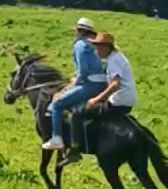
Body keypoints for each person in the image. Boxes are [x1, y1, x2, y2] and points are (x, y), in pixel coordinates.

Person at [64, 32, 138, 163]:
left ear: (107, 47)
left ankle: (75, 150)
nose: (96, 51)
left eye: (98, 47)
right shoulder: (117, 57)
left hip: (118, 103)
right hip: (127, 101)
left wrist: (96, 99)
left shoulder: (114, 61)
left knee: (77, 111)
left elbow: (115, 85)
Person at [43, 18, 108, 151]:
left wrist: (75, 82)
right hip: (102, 84)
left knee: (56, 105)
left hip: (89, 85)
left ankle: (57, 139)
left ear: (80, 31)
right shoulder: (95, 45)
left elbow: (83, 70)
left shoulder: (80, 45)